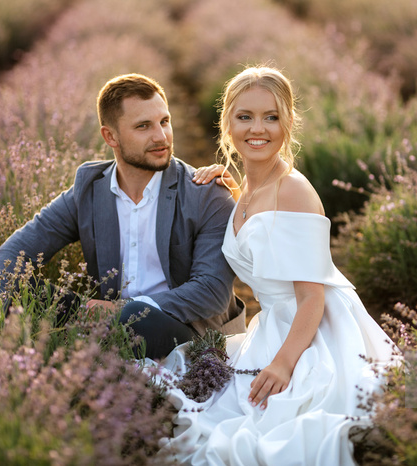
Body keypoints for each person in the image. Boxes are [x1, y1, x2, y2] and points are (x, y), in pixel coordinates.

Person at [158, 66, 401, 465]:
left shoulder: (294, 190)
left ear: (288, 123)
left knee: (278, 431)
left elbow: (311, 298)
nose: (259, 128)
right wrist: (230, 189)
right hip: (273, 325)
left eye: (272, 117)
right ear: (228, 124)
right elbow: (262, 235)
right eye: (245, 117)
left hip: (313, 330)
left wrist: (283, 364)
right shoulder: (248, 190)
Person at [0, 73, 245, 359]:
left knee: (133, 317)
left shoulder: (206, 193)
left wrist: (121, 310)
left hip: (186, 332)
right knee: (19, 289)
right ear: (110, 136)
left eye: (164, 122)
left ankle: (76, 350)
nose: (161, 136)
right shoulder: (90, 189)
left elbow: (210, 293)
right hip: (107, 323)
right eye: (143, 126)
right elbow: (11, 255)